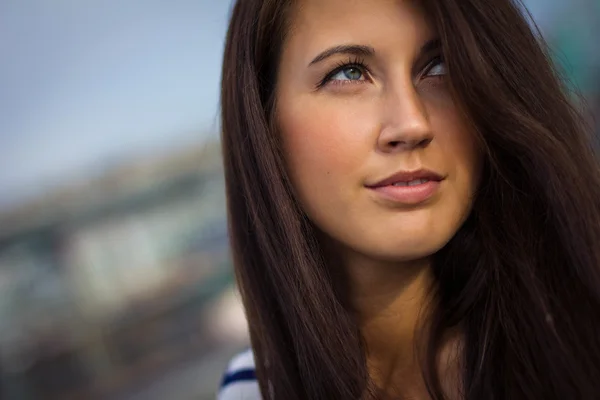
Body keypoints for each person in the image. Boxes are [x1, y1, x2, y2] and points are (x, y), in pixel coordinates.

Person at [217, 0, 600, 399]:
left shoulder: (581, 328)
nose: (412, 123)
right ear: (265, 120)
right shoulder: (253, 392)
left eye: (440, 67)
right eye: (348, 73)